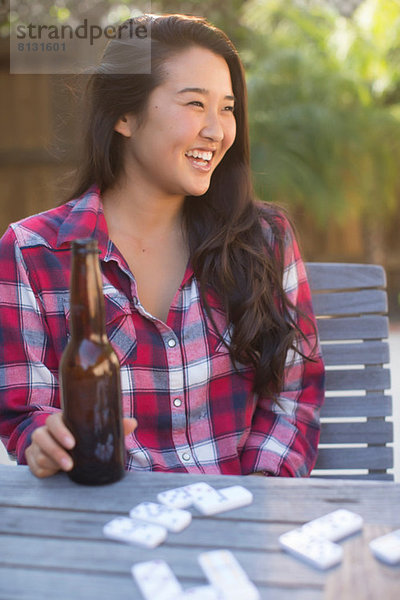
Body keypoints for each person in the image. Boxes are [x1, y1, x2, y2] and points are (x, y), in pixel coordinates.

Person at [0, 13, 324, 479]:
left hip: (239, 521)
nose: (217, 131)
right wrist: (43, 439)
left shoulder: (264, 240)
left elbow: (294, 393)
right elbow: (24, 413)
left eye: (228, 108)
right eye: (195, 103)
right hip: (108, 526)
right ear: (124, 116)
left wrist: (254, 501)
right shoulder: (31, 254)